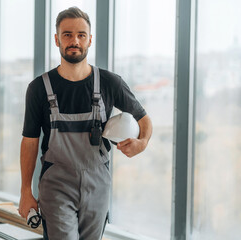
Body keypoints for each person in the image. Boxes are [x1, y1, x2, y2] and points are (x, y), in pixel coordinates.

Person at [19, 6, 152, 240]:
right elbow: (29, 141)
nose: (74, 41)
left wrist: (142, 143)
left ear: (90, 40)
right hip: (56, 184)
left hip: (98, 183)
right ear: (56, 39)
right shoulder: (39, 88)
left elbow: (144, 119)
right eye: (67, 34)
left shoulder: (111, 83)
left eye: (81, 35)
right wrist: (25, 191)